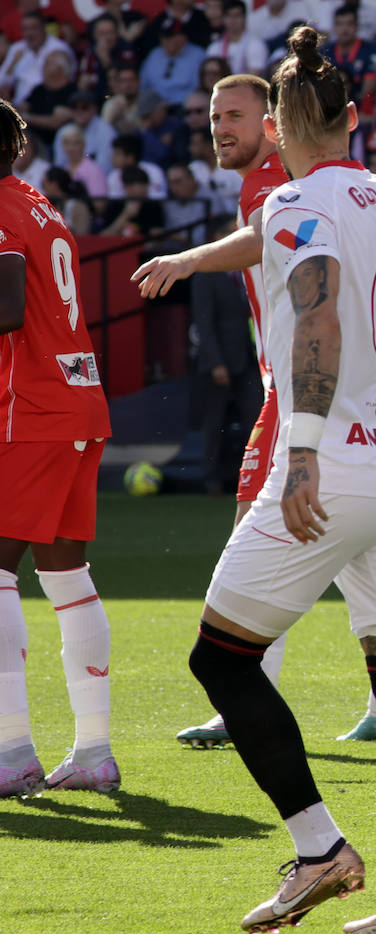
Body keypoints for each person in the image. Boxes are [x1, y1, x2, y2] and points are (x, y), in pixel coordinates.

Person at [188, 26, 376, 934]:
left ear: (274, 126)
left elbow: (316, 319)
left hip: (331, 465)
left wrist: (302, 447)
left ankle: (319, 846)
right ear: (354, 117)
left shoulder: (296, 201)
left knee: (218, 657)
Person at [132, 74, 376, 748]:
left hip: (303, 386)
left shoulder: (282, 181)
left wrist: (186, 261)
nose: (222, 127)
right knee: (334, 539)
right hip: (313, 384)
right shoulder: (272, 182)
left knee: (260, 525)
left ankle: (243, 695)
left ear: (272, 125)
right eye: (216, 116)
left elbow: (261, 236)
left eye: (237, 116)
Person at [0, 99, 118, 799]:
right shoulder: (40, 205)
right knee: (67, 574)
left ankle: (13, 750)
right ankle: (94, 750)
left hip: (34, 409)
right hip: (78, 398)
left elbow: (8, 305)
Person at [192, 214, 264, 496]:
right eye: (229, 233)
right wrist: (216, 362)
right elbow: (204, 321)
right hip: (219, 362)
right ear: (216, 238)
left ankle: (257, 478)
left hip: (247, 358)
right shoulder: (204, 273)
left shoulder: (248, 269)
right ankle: (212, 482)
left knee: (256, 418)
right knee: (214, 423)